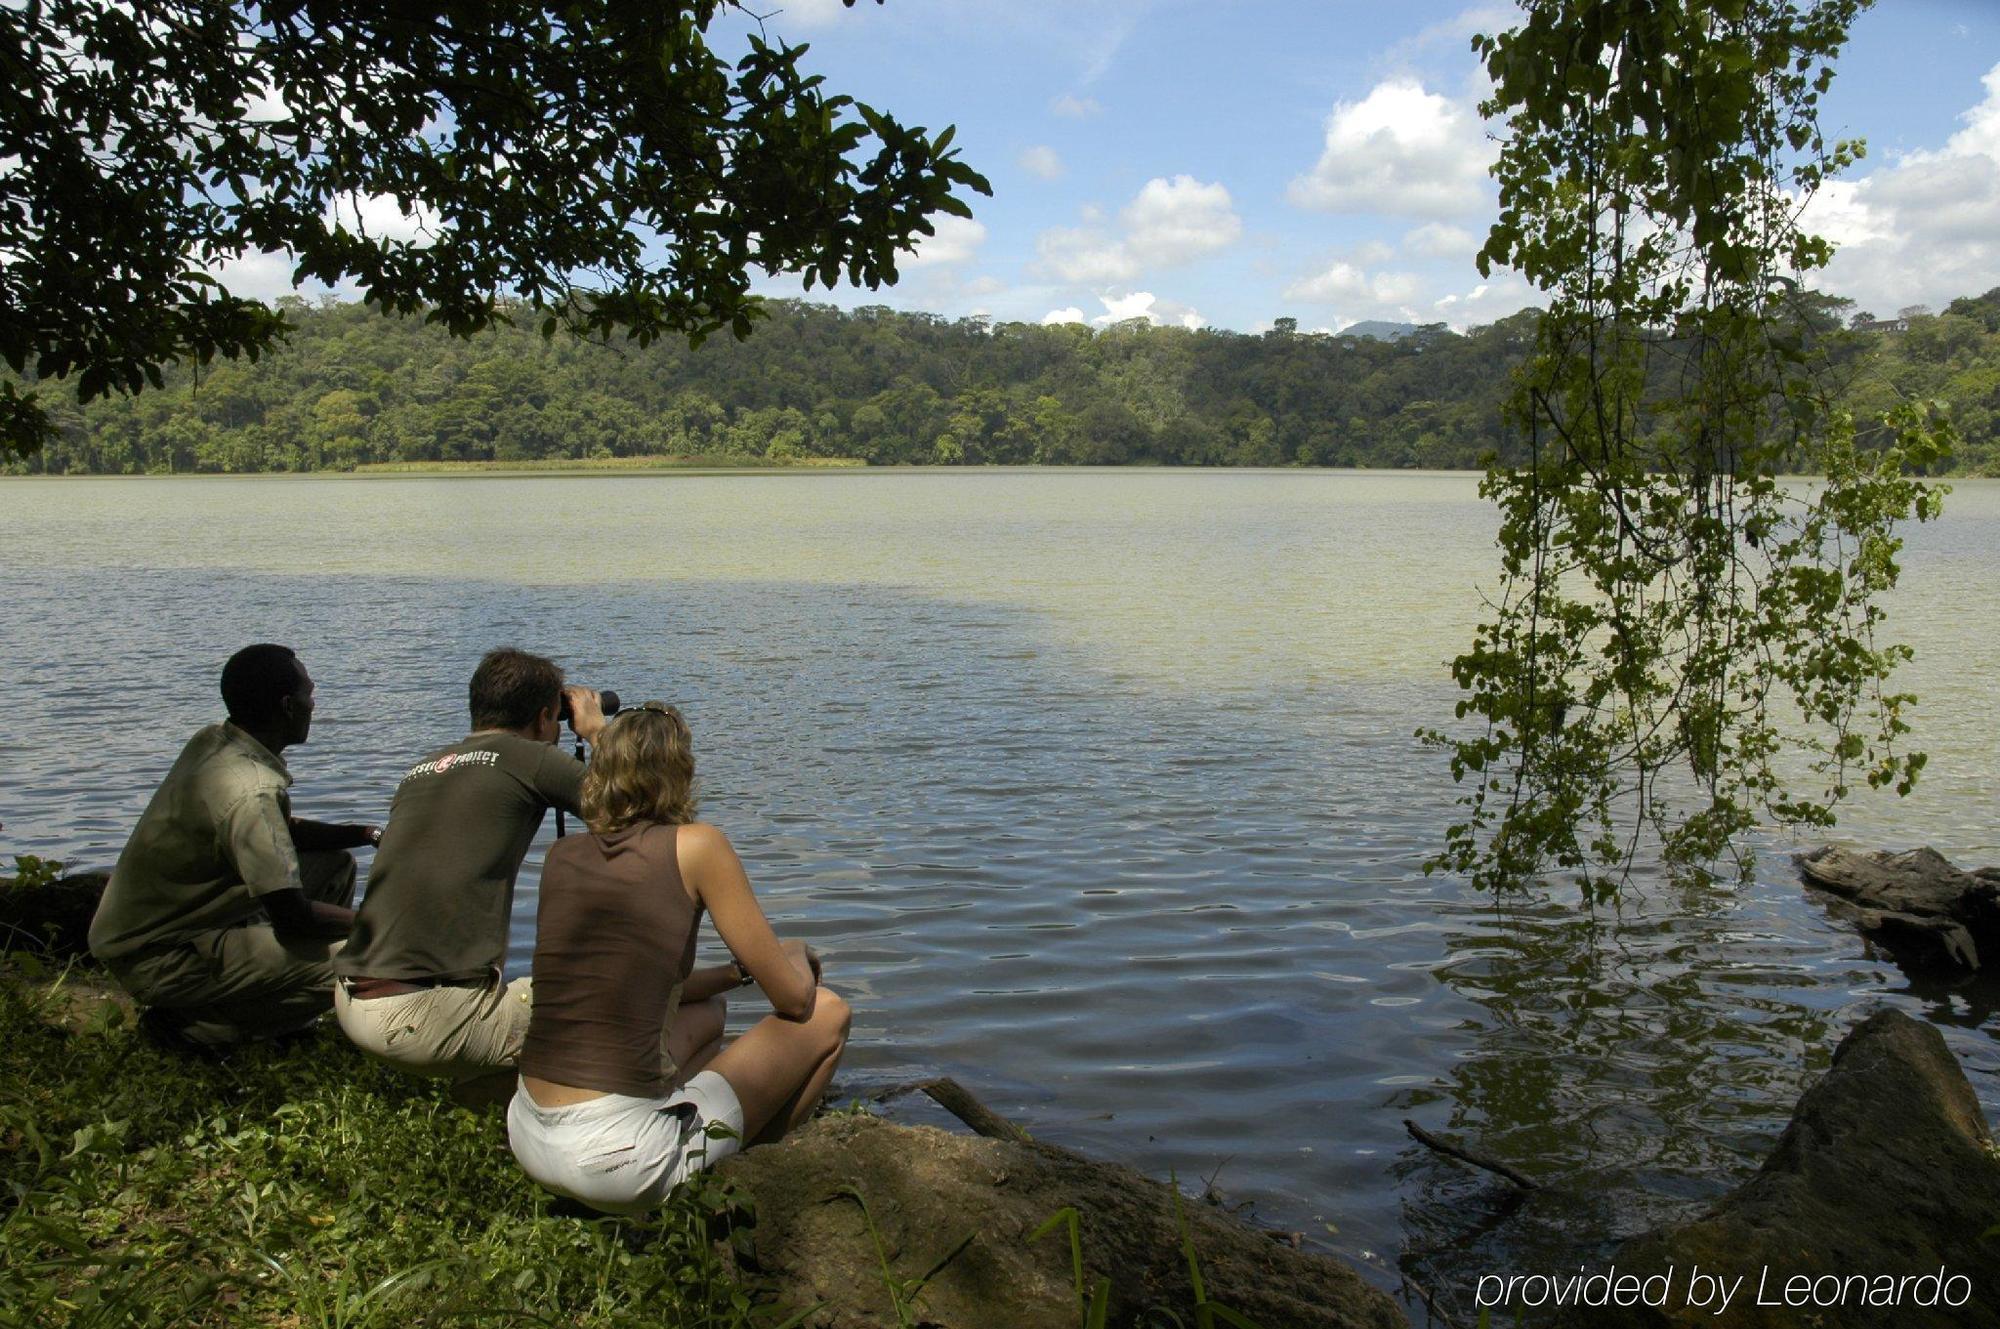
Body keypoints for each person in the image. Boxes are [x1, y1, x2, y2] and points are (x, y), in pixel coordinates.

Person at [507, 702, 850, 1216]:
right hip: (615, 1163)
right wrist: (793, 953)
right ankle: (752, 1184)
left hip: (530, 1135)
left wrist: (735, 976)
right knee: (829, 1012)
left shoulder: (561, 857)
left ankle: (681, 1135)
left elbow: (647, 985)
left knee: (708, 1017)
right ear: (681, 775)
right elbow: (794, 1000)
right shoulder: (698, 846)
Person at [333, 648, 638, 1103]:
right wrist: (598, 732)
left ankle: (481, 1103)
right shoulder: (530, 757)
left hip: (354, 999)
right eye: (557, 719)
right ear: (541, 718)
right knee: (629, 1000)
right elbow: (638, 810)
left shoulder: (423, 768)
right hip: (421, 1017)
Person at [89, 644, 376, 1052]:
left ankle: (257, 1000)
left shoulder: (217, 742)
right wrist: (378, 923)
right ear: (286, 706)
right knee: (360, 957)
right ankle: (206, 1028)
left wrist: (365, 834)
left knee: (336, 865)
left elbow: (278, 831)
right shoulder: (251, 790)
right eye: (308, 695)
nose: (314, 705)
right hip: (161, 956)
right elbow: (292, 917)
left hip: (157, 930)